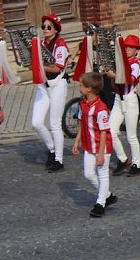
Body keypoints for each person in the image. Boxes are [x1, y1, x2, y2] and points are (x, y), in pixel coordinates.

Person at [72, 72, 117, 217]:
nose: (79, 88)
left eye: (81, 85)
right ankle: (107, 195)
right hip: (88, 145)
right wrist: (77, 140)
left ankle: (100, 204)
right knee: (88, 174)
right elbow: (81, 123)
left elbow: (104, 131)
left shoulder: (101, 108)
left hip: (101, 146)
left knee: (103, 174)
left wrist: (101, 153)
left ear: (89, 88)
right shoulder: (83, 103)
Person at [31, 13, 70, 172]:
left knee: (54, 123)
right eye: (43, 27)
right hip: (43, 85)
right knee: (36, 122)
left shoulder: (60, 45)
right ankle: (52, 148)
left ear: (55, 30)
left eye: (49, 27)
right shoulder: (40, 43)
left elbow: (56, 67)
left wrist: (37, 64)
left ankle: (59, 160)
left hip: (57, 85)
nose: (45, 29)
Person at [108, 34, 140, 177]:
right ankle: (123, 159)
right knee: (110, 131)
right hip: (118, 98)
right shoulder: (120, 63)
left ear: (136, 50)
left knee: (131, 135)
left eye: (131, 47)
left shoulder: (135, 64)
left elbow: (129, 80)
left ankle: (136, 164)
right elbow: (114, 84)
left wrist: (113, 75)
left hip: (129, 99)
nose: (127, 49)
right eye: (126, 46)